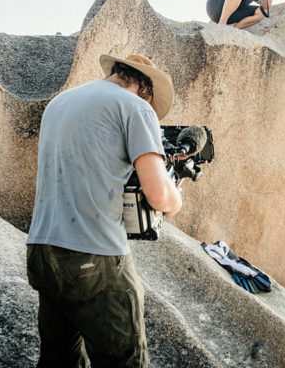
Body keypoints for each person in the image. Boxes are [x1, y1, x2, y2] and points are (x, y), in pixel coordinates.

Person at [26, 53, 182, 368]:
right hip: (94, 256)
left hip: (41, 250)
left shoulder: (59, 103)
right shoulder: (136, 107)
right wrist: (175, 198)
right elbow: (158, 195)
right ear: (145, 89)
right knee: (124, 360)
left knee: (59, 359)